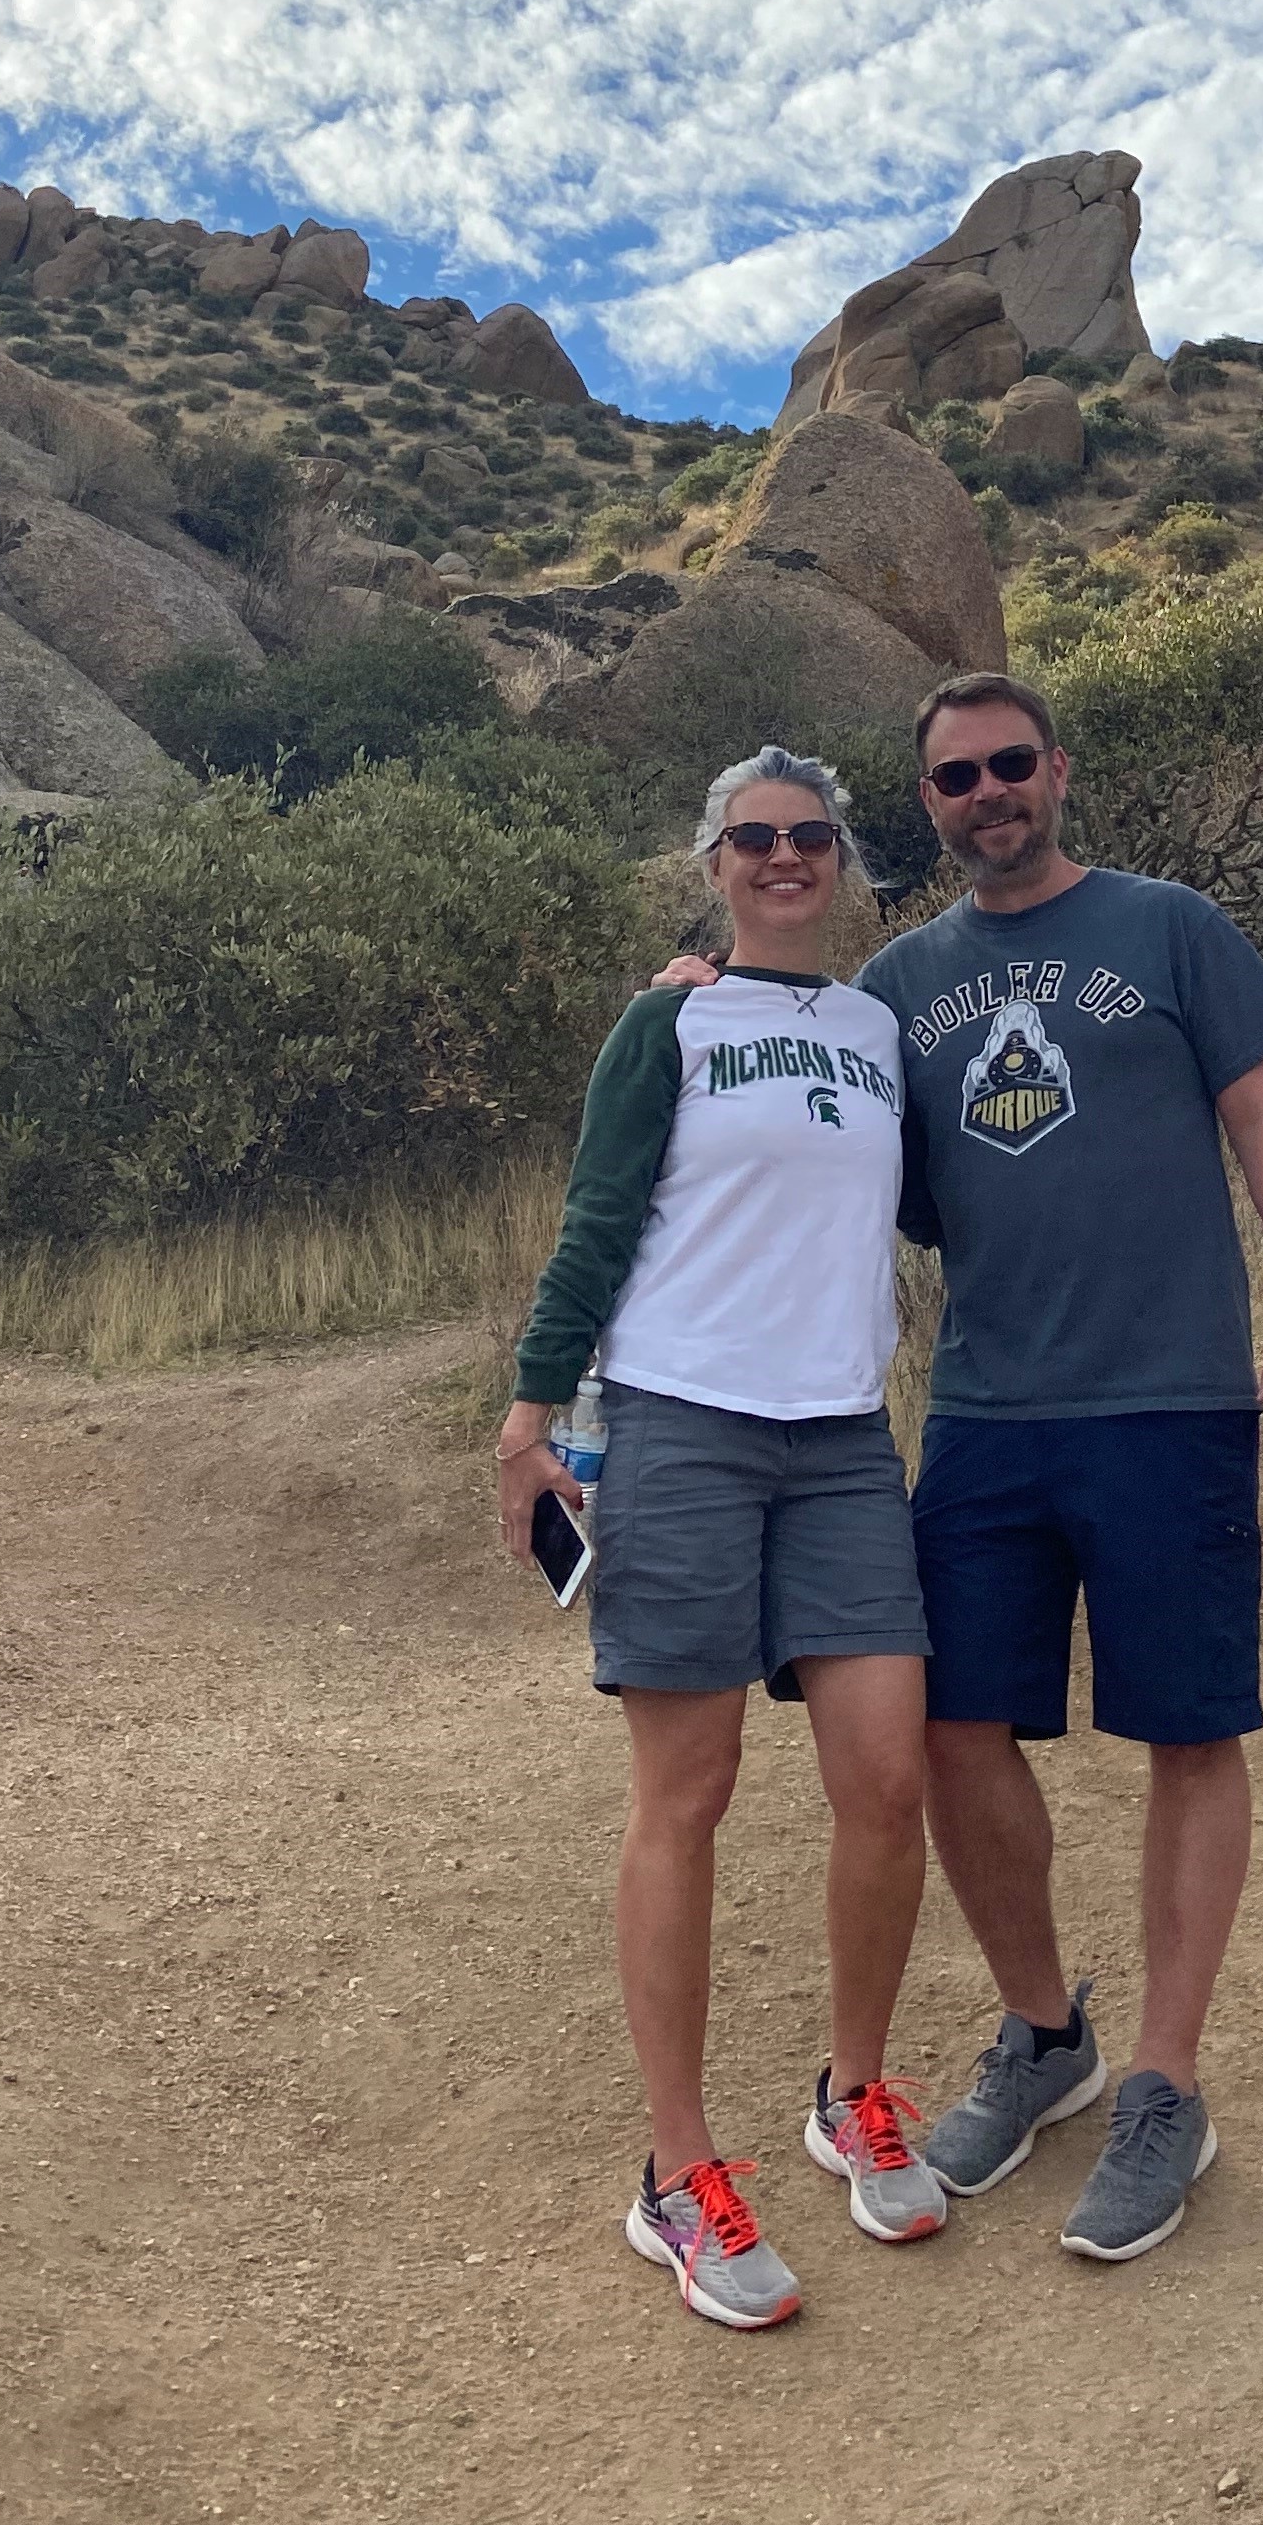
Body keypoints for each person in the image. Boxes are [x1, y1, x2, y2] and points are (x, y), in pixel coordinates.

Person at [809, 669, 1263, 2262]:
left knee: (1188, 1731)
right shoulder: (899, 984)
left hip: (1173, 1401)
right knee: (955, 1728)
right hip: (985, 1411)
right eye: (954, 778)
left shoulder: (1169, 926)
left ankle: (1166, 2089)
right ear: (925, 804)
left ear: (1058, 770)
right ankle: (1046, 2033)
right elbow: (835, 1162)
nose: (987, 795)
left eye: (1009, 765)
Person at [499, 746, 943, 2331]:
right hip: (683, 1422)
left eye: (808, 838)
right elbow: (599, 1218)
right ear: (711, 861)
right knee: (686, 1794)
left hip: (837, 1437)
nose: (782, 860)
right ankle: (679, 2173)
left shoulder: (883, 1030)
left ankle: (856, 2093)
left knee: (889, 1776)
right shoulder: (666, 1023)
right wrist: (533, 1412)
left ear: (843, 861)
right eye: (751, 839)